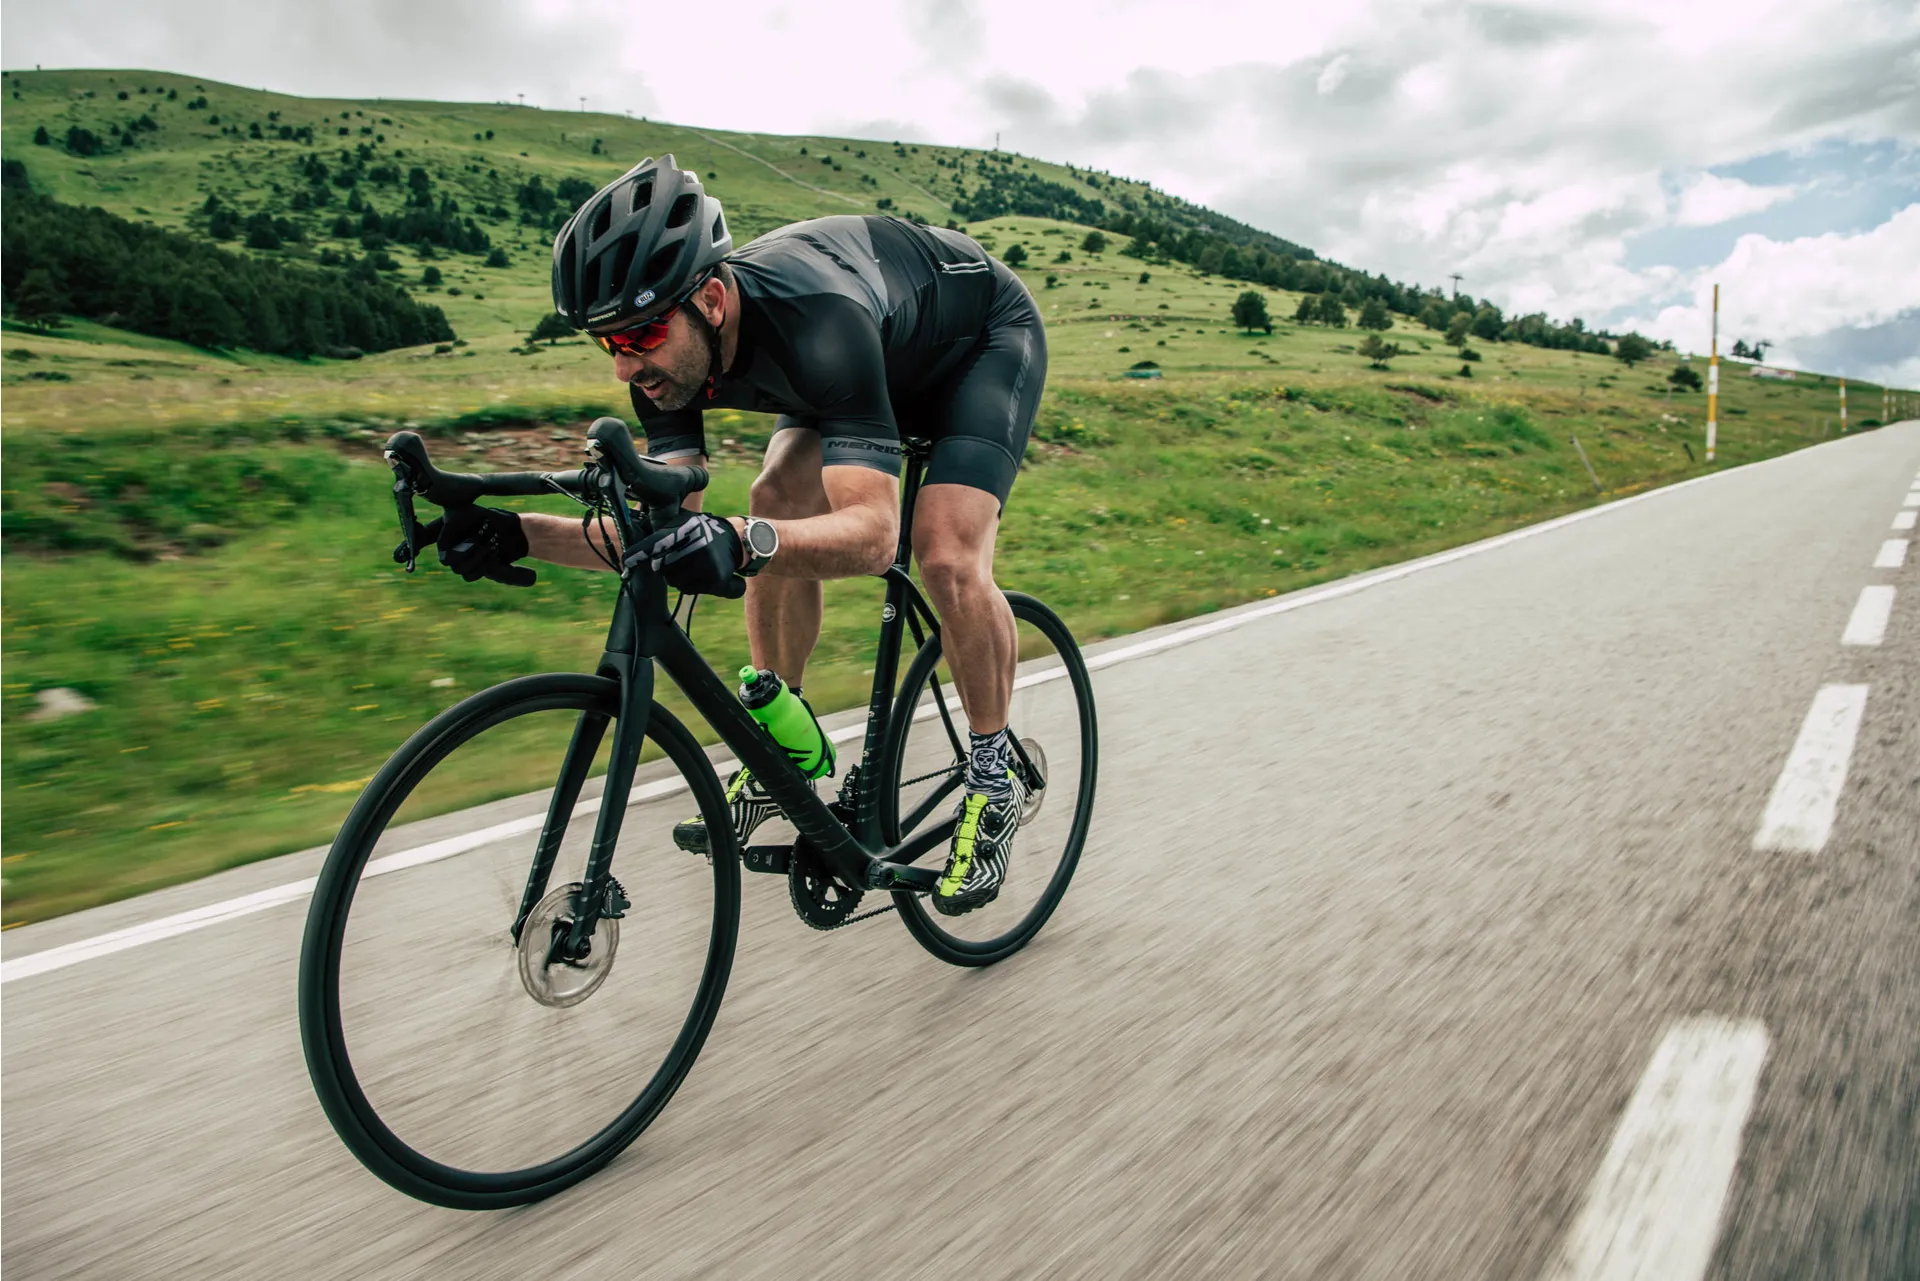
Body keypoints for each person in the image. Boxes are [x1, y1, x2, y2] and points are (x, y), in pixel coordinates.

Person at [424, 155, 1047, 916]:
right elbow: (659, 532)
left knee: (944, 553)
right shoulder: (661, 365)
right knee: (771, 496)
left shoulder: (817, 321)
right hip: (871, 363)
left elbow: (878, 536)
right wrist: (517, 533)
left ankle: (992, 777)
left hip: (976, 344)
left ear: (711, 300)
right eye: (606, 345)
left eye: (642, 334)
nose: (627, 367)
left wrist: (741, 542)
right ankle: (784, 739)